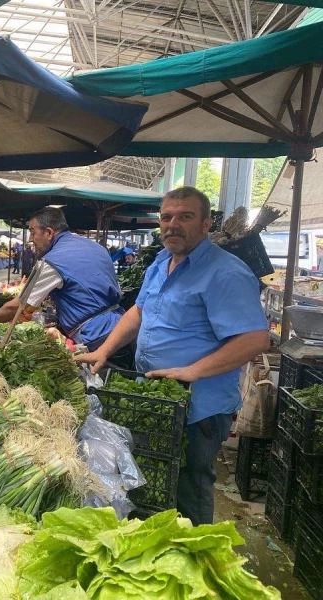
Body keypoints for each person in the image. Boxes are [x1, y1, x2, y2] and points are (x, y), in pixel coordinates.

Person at [76, 186, 269, 526]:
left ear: (207, 223)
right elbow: (138, 311)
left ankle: (197, 560)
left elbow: (255, 339)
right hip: (158, 400)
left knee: (190, 486)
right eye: (166, 217)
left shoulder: (225, 272)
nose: (172, 225)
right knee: (157, 482)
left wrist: (193, 370)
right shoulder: (162, 261)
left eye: (185, 216)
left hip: (198, 409)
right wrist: (103, 351)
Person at [0, 207, 126, 357]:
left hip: (95, 337)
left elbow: (17, 307)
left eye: (32, 232)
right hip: (123, 328)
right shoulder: (95, 246)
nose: (30, 239)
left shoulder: (52, 262)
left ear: (49, 232)